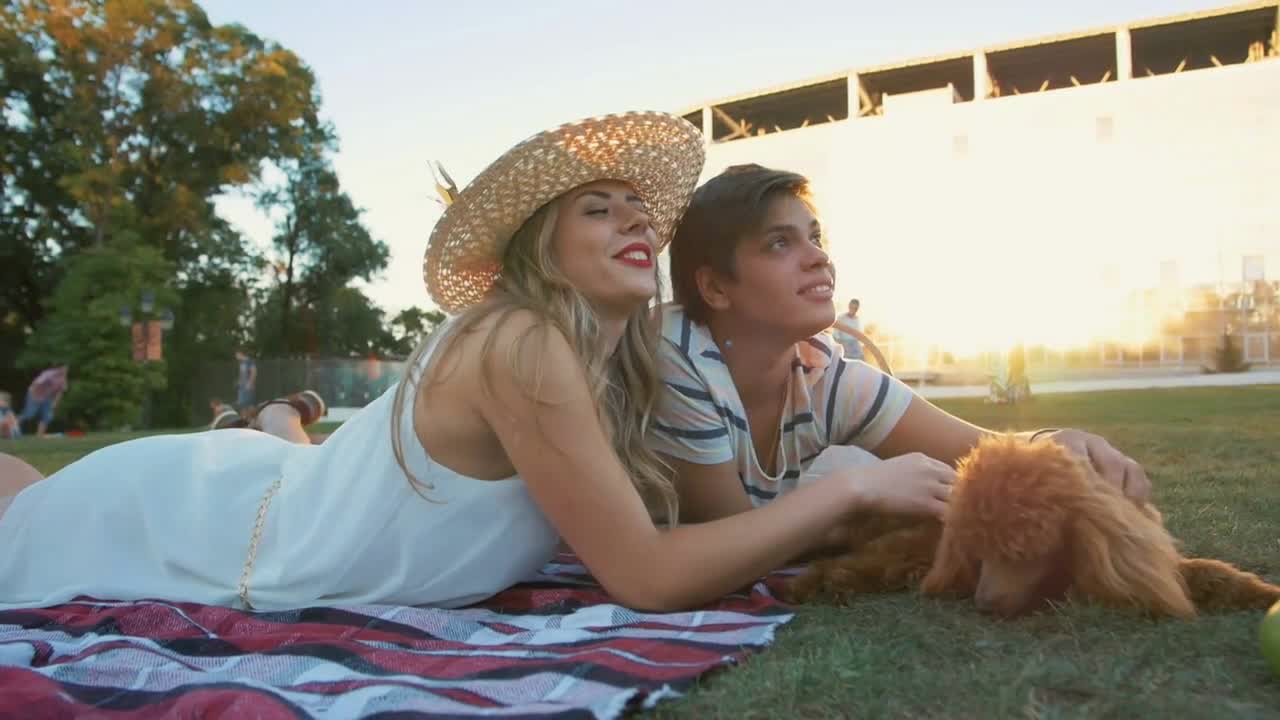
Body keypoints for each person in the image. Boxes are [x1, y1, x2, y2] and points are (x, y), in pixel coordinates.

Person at [4, 110, 864, 615]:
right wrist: (848, 490)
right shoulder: (521, 344)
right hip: (189, 524)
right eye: (600, 211)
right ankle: (273, 428)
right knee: (24, 517)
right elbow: (645, 574)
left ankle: (274, 425)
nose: (638, 225)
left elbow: (702, 518)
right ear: (541, 249)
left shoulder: (607, 361)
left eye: (641, 214)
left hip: (268, 494)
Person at [652, 164, 1149, 531]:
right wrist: (857, 490)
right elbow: (729, 534)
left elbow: (983, 453)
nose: (819, 257)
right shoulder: (676, 354)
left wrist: (1051, 444)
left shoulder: (825, 375)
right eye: (780, 243)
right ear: (715, 288)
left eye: (815, 236)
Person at [17, 365, 68, 438]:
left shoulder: (63, 378)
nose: (65, 370)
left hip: (47, 397)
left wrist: (54, 403)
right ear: (59, 368)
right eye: (64, 368)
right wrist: (34, 397)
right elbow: (35, 384)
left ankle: (39, 435)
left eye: (66, 368)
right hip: (34, 394)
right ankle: (13, 428)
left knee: (47, 416)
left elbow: (60, 392)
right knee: (29, 414)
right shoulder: (48, 374)